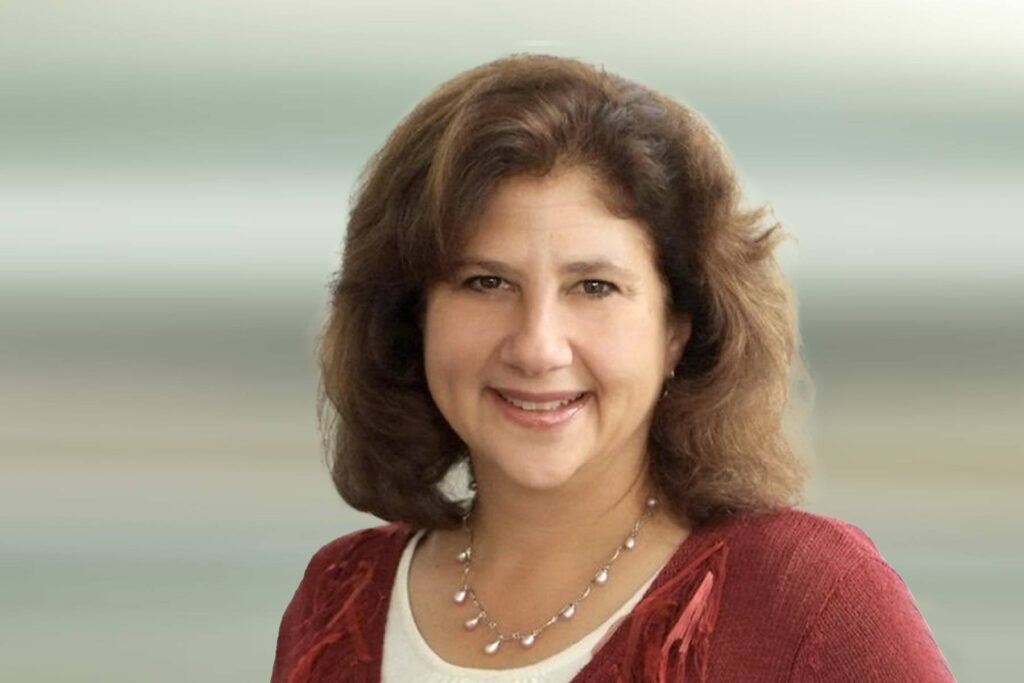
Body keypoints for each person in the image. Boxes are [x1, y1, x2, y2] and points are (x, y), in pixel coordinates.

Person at [271, 54, 954, 682]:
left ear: (677, 328)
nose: (538, 346)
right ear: (412, 315)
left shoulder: (805, 600)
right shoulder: (337, 601)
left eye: (593, 286)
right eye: (485, 282)